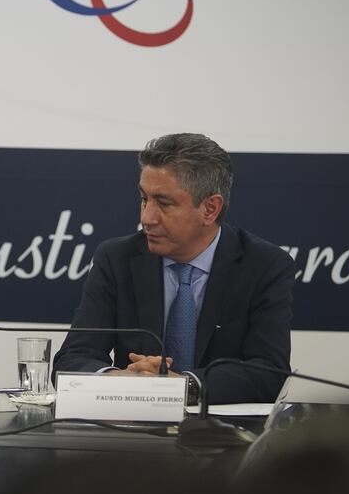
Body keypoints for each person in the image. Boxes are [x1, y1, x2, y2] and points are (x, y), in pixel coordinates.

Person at [52, 133, 293, 404]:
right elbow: (71, 360)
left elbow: (269, 372)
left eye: (164, 204)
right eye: (144, 199)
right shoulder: (116, 258)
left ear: (210, 209)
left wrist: (183, 386)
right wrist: (118, 380)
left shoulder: (264, 265)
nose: (146, 218)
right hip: (133, 424)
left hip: (222, 428)